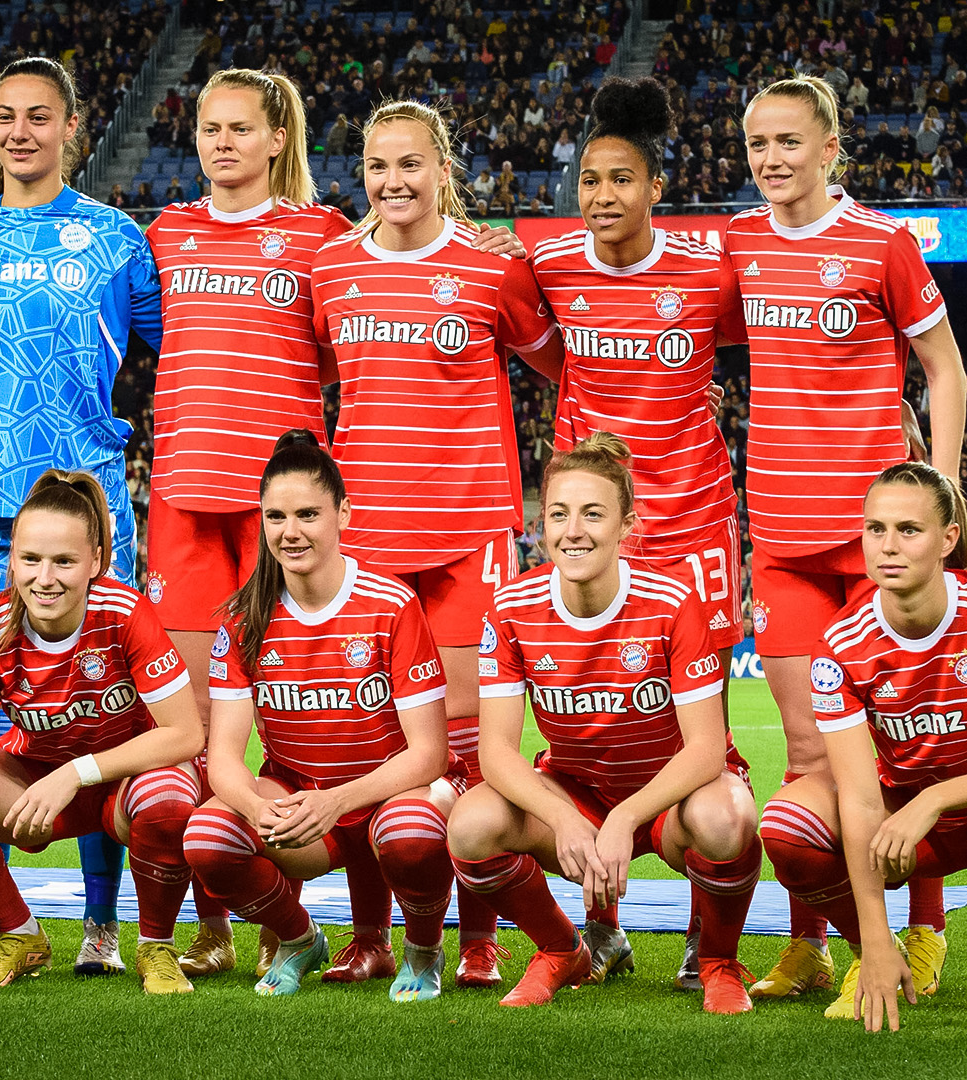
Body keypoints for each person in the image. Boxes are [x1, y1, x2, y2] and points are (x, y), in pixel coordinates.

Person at [144, 68, 523, 980]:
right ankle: (228, 925)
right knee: (206, 728)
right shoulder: (162, 235)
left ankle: (467, 938)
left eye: (242, 127)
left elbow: (538, 334)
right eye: (209, 127)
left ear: (281, 138)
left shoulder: (321, 240)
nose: (223, 142)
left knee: (444, 736)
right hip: (190, 498)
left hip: (301, 510)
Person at [311, 98, 564, 990]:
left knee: (464, 750)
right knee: (372, 739)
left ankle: (484, 936)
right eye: (378, 167)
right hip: (369, 536)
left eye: (411, 164)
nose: (393, 182)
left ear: (444, 169)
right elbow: (315, 374)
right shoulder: (333, 269)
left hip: (468, 531)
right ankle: (374, 933)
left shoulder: (492, 269)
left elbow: (562, 366)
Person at [727, 74, 967, 1002]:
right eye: (758, 145)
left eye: (790, 143)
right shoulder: (740, 243)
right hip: (782, 539)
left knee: (901, 754)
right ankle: (812, 942)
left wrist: (935, 486)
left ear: (832, 149)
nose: (772, 161)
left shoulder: (881, 243)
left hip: (880, 542)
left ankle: (927, 930)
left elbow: (943, 368)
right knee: (809, 757)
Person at [0, 57, 165, 974]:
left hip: (84, 510)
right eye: (3, 116)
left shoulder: (117, 239)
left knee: (103, 721)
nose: (19, 132)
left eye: (38, 117)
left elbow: (178, 346)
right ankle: (3, 923)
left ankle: (106, 932)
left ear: (74, 127)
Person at [529, 75, 747, 990]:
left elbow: (769, 343)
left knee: (704, 731)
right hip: (593, 527)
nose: (603, 197)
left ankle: (708, 932)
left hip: (693, 522)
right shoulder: (549, 267)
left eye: (621, 179)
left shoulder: (707, 270)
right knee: (587, 720)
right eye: (590, 181)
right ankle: (602, 926)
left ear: (656, 186)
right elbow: (544, 355)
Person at [446, 434, 761, 1011]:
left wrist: (627, 815)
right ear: (541, 525)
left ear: (627, 527)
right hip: (578, 792)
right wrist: (564, 817)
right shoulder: (511, 608)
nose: (574, 531)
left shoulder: (673, 602)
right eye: (559, 514)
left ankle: (717, 959)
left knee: (727, 818)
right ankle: (564, 949)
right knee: (471, 824)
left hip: (671, 796)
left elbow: (707, 748)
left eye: (593, 514)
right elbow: (495, 752)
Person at [761, 463, 967, 1028]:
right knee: (789, 826)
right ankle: (875, 957)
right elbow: (858, 797)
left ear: (948, 538)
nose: (887, 546)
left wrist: (932, 801)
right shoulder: (839, 645)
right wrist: (876, 939)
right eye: (874, 529)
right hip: (901, 817)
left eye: (909, 529)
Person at [0, 470, 205, 996]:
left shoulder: (126, 613)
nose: (45, 577)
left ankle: (155, 946)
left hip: (121, 786)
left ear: (95, 562)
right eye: (30, 560)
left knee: (168, 794)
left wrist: (77, 772)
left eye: (64, 561)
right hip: (35, 788)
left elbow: (185, 735)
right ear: (11, 559)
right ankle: (19, 933)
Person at [183, 431, 462, 1001]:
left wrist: (338, 799)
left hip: (393, 792)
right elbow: (226, 762)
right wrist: (260, 808)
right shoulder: (244, 620)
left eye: (308, 514)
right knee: (209, 836)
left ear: (343, 513)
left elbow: (430, 753)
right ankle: (299, 937)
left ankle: (423, 950)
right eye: (276, 516)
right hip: (301, 796)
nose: (291, 532)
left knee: (410, 833)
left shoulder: (392, 605)